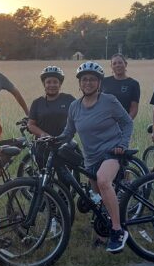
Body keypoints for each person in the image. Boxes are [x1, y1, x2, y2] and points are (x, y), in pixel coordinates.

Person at [55, 61, 133, 254]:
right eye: (84, 79)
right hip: (91, 159)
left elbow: (127, 123)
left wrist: (122, 145)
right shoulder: (74, 106)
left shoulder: (109, 101)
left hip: (111, 153)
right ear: (79, 83)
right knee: (98, 200)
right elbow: (68, 132)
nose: (88, 83)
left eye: (92, 79)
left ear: (99, 82)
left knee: (104, 182)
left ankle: (117, 231)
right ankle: (102, 235)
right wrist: (52, 139)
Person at [102, 53, 140, 121]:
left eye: (120, 63)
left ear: (125, 64)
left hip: (123, 124)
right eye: (114, 63)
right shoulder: (104, 81)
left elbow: (134, 108)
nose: (117, 65)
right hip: (104, 123)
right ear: (111, 66)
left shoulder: (133, 84)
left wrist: (126, 122)